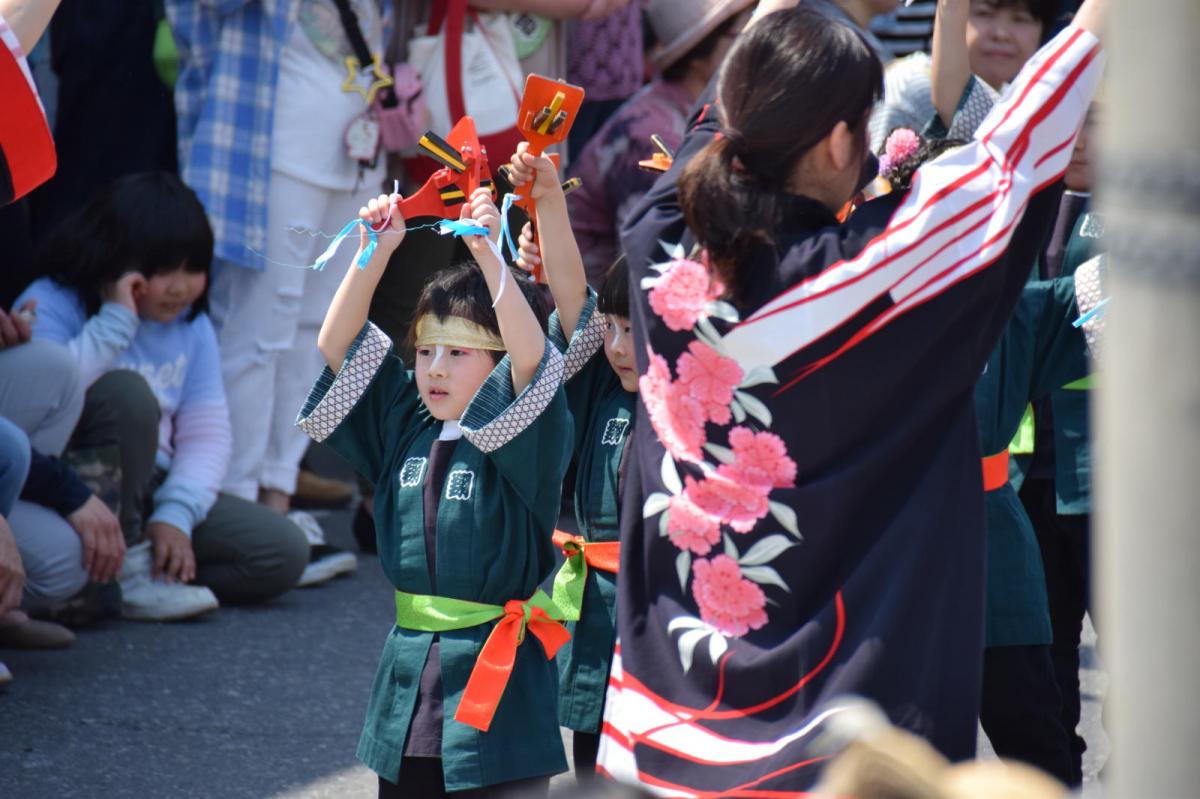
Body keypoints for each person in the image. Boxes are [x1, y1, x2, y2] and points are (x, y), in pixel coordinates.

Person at [597, 0, 1104, 792]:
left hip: (664, 730)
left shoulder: (662, 240)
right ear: (839, 142)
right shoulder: (867, 275)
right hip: (845, 747)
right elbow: (1017, 148)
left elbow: (724, 112)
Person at [296, 185, 573, 797]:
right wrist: (376, 251)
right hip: (408, 676)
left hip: (499, 680)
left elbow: (533, 360)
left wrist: (489, 258)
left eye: (458, 351)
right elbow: (336, 344)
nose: (436, 367)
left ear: (499, 359)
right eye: (425, 350)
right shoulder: (407, 422)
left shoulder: (522, 430)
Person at [18, 172, 309, 620]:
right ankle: (128, 571)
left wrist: (175, 515)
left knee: (281, 552)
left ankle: (147, 572)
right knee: (129, 394)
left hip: (155, 484)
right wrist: (115, 321)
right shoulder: (54, 301)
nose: (180, 287)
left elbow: (206, 434)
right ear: (114, 259)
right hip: (73, 484)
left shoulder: (191, 325)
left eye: (193, 269)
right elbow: (44, 391)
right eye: (162, 270)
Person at [163, 0, 387, 560]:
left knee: (322, 328)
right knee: (259, 326)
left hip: (358, 144)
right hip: (271, 141)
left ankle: (277, 499)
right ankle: (231, 507)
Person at [511, 144, 637, 780]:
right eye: (613, 327)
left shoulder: (696, 392)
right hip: (596, 603)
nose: (617, 346)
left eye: (635, 329)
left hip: (662, 607)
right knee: (591, 763)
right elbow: (572, 301)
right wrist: (548, 201)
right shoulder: (603, 385)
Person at [568, 0, 755, 284]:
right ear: (698, 53)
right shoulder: (650, 135)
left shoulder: (692, 111)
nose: (753, 46)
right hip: (591, 304)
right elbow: (646, 259)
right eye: (741, 35)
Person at [869, 0, 1056, 151]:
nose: (1001, 34)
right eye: (985, 14)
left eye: (1021, 19)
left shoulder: (1024, 101)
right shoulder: (909, 86)